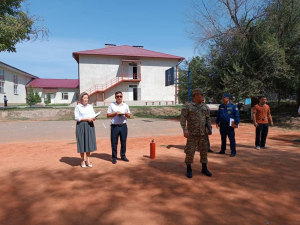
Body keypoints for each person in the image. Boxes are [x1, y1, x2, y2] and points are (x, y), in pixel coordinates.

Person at [180, 88, 212, 178]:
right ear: (197, 95)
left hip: (203, 134)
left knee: (204, 151)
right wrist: (185, 129)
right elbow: (183, 119)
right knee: (190, 152)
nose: (203, 97)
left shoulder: (205, 106)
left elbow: (208, 119)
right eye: (202, 95)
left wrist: (209, 128)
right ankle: (189, 169)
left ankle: (204, 168)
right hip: (192, 134)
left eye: (202, 95)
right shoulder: (187, 106)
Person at [107, 91, 131, 164]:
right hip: (115, 126)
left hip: (123, 126)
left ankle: (123, 156)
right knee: (114, 143)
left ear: (122, 97)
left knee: (123, 142)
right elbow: (108, 115)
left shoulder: (125, 105)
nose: (119, 98)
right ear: (115, 97)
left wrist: (126, 114)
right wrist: (115, 113)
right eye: (117, 96)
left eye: (120, 96)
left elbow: (129, 115)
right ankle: (114, 157)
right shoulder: (111, 105)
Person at [74, 92, 98, 168]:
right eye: (84, 98)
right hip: (81, 125)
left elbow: (93, 115)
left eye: (87, 98)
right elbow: (77, 118)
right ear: (81, 99)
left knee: (89, 142)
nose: (86, 99)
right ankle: (82, 160)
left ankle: (88, 159)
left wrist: (93, 118)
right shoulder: (78, 107)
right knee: (82, 142)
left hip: (89, 125)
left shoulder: (90, 106)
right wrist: (86, 119)